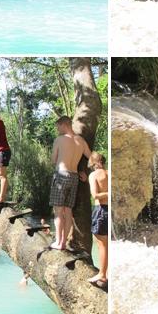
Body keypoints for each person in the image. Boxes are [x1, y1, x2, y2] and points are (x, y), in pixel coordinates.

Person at [49, 115, 92, 251]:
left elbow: (53, 160)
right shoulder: (81, 141)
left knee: (58, 211)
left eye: (58, 127)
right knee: (68, 211)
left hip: (61, 175)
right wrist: (86, 173)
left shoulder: (59, 140)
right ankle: (63, 243)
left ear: (64, 125)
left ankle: (58, 241)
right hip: (74, 177)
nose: (57, 130)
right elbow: (92, 159)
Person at [88, 151, 109, 288]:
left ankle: (102, 274)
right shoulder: (109, 173)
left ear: (95, 163)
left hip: (101, 209)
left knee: (101, 244)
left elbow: (95, 195)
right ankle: (105, 272)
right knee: (107, 244)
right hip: (109, 209)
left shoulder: (94, 175)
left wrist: (108, 193)